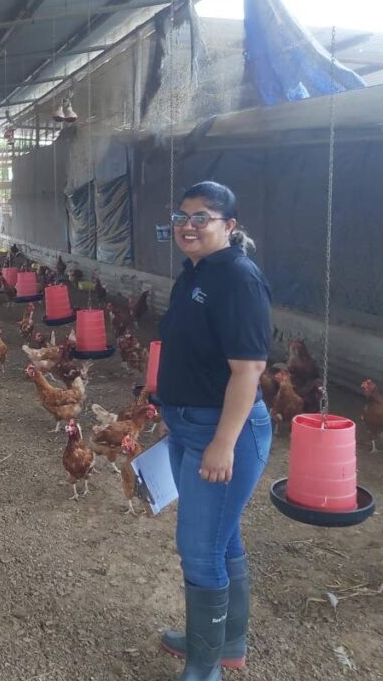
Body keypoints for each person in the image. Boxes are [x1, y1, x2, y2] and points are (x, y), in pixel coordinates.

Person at [156, 181, 272, 681]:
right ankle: (226, 641)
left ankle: (205, 668)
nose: (188, 225)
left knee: (199, 548)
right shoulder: (194, 273)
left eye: (202, 217)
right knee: (221, 540)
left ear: (229, 226)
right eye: (182, 216)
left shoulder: (238, 278)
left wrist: (223, 443)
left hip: (223, 430)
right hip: (189, 425)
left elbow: (248, 372)